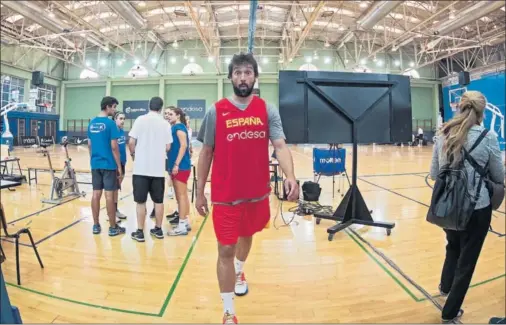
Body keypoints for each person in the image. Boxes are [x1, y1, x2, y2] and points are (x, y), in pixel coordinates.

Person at [195, 52, 299, 324]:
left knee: (247, 235)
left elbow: (280, 145)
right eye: (238, 72)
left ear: (255, 77)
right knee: (225, 250)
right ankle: (228, 311)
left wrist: (291, 176)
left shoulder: (267, 109)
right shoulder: (216, 110)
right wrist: (199, 192)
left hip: (256, 194)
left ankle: (240, 270)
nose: (243, 77)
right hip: (225, 196)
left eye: (248, 72)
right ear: (230, 77)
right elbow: (206, 153)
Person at [430, 91, 504, 324]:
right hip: (477, 207)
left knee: (452, 246)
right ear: (482, 113)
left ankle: (445, 286)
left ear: (459, 107)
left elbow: (434, 174)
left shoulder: (442, 134)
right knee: (467, 261)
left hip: (447, 205)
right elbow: (499, 175)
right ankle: (449, 312)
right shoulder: (487, 136)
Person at [128, 97, 173, 242]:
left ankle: (140, 232)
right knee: (158, 201)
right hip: (158, 170)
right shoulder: (165, 124)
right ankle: (158, 229)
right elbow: (168, 146)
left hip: (141, 168)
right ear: (161, 108)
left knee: (140, 202)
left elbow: (131, 141)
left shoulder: (140, 120)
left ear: (149, 106)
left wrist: (134, 155)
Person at [87, 96, 125, 236]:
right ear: (108, 107)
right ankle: (113, 227)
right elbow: (114, 147)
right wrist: (119, 168)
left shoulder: (91, 123)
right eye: (114, 107)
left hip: (95, 164)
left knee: (96, 194)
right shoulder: (110, 124)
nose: (114, 110)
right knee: (109, 196)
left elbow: (90, 145)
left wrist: (93, 159)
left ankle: (96, 225)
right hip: (109, 164)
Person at [166, 106, 192, 236]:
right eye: (165, 114)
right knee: (182, 195)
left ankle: (182, 225)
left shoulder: (178, 127)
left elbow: (184, 146)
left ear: (177, 115)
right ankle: (185, 221)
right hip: (178, 166)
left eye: (170, 114)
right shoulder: (174, 127)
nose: (167, 116)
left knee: (181, 196)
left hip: (180, 167)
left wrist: (176, 164)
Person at [114, 112, 128, 220]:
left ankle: (115, 210)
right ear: (115, 119)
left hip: (123, 162)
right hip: (115, 164)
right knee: (113, 188)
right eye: (120, 118)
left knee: (117, 187)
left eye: (124, 118)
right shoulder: (113, 131)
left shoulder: (122, 131)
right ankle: (113, 211)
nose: (122, 120)